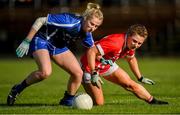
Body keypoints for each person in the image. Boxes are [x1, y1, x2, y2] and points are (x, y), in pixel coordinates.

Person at [7, 3, 103, 106]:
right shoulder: (69, 21)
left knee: (78, 73)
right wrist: (27, 40)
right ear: (85, 18)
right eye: (91, 24)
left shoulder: (88, 34)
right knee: (45, 72)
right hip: (43, 39)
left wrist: (99, 65)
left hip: (58, 46)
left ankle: (67, 101)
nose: (93, 28)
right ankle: (17, 89)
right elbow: (40, 20)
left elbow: (92, 51)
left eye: (96, 26)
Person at [80, 24, 168, 105]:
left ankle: (153, 102)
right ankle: (74, 96)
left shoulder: (130, 44)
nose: (136, 45)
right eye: (135, 41)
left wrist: (140, 77)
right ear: (128, 35)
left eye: (139, 43)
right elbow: (91, 51)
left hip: (105, 65)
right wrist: (93, 72)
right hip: (89, 67)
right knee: (99, 103)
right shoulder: (115, 42)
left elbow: (131, 59)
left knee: (130, 84)